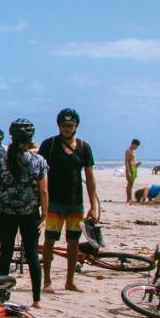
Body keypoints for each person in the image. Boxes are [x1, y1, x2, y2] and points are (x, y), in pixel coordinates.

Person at [0, 119, 48, 307]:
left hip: (6, 212)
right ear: (31, 139)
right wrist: (45, 215)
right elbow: (44, 191)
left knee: (5, 255)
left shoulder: (2, 159)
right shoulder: (39, 161)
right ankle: (36, 300)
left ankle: (1, 297)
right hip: (30, 214)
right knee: (32, 255)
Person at [38, 108, 100, 293]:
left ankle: (69, 281)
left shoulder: (84, 147)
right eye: (64, 125)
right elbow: (39, 174)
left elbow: (89, 177)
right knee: (49, 241)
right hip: (53, 202)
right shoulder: (49, 145)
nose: (67, 128)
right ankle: (47, 281)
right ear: (58, 125)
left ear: (76, 126)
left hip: (75, 203)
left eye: (70, 125)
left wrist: (93, 206)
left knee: (73, 242)